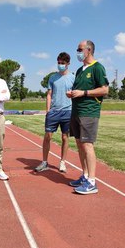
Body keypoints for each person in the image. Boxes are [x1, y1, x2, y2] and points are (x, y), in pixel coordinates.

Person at [66, 40, 109, 194]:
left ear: (88, 50)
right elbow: (78, 89)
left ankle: (92, 181)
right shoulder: (79, 70)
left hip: (89, 112)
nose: (77, 52)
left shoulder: (97, 67)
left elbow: (104, 90)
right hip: (76, 111)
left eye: (79, 49)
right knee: (79, 144)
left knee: (87, 145)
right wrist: (72, 93)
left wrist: (84, 93)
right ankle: (84, 175)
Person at [34, 52, 75, 173]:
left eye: (63, 63)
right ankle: (44, 162)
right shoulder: (53, 77)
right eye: (59, 63)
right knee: (48, 136)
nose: (60, 65)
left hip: (68, 111)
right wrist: (48, 110)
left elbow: (76, 94)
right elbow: (49, 94)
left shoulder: (73, 77)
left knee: (65, 137)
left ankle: (62, 162)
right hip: (54, 111)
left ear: (68, 64)